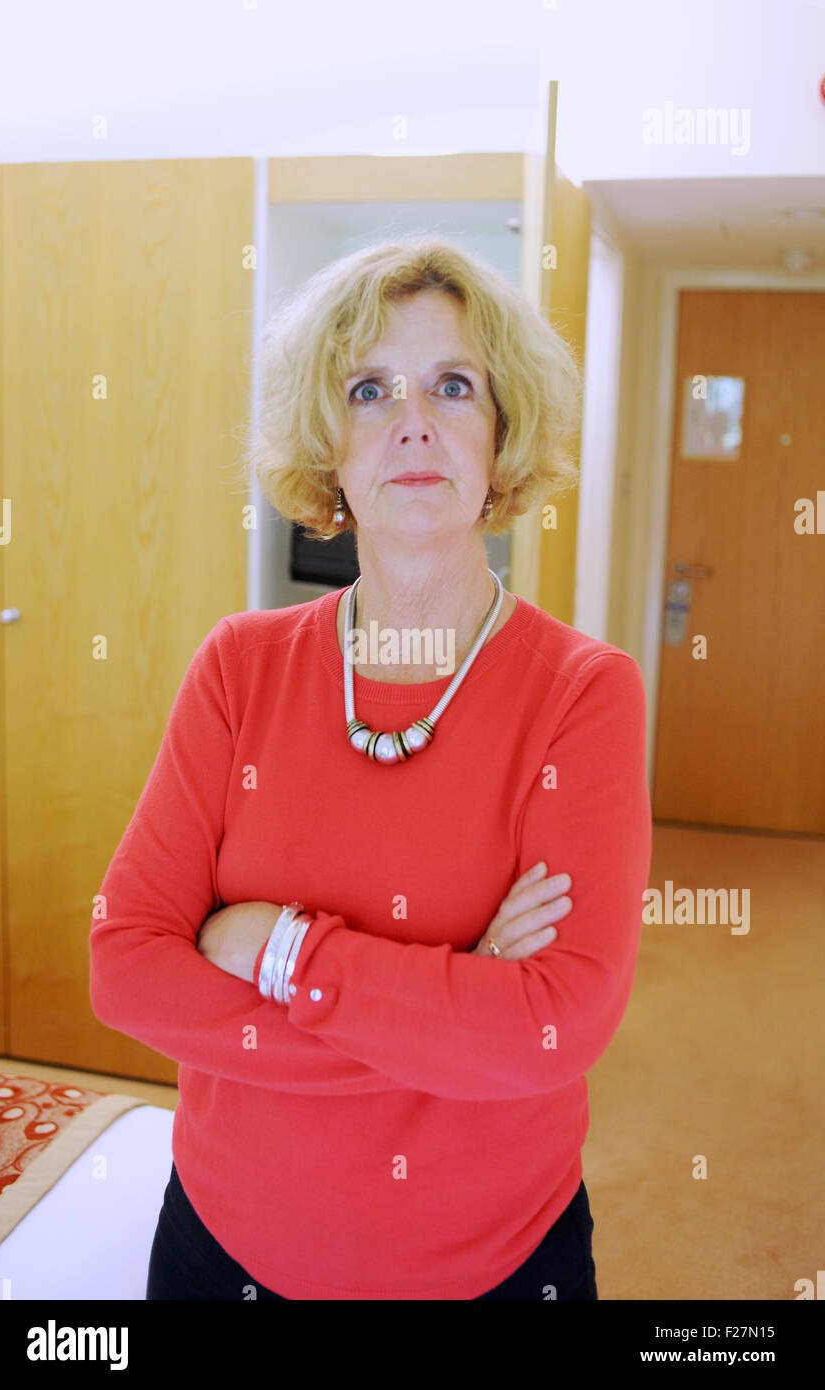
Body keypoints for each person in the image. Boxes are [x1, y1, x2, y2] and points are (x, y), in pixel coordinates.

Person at [89, 235, 652, 1301]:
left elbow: (552, 1029)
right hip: (224, 1250)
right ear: (328, 447)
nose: (413, 421)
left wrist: (282, 948)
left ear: (501, 433)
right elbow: (125, 963)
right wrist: (455, 1000)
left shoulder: (583, 691)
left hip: (490, 1264)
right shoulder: (237, 668)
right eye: (367, 389)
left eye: (452, 384)